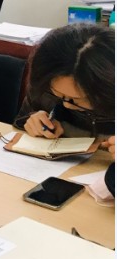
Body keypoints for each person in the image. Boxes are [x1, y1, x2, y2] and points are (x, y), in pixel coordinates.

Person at [14, 24, 114, 196]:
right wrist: (31, 122)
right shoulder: (45, 86)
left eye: (77, 100)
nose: (67, 105)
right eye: (59, 95)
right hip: (57, 182)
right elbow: (21, 123)